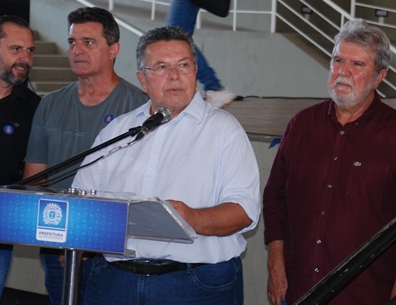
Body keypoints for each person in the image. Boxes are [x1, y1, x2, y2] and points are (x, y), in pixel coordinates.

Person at [71, 25, 260, 304]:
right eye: (161, 66)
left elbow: (245, 211)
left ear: (195, 72)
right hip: (114, 281)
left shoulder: (224, 130)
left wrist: (191, 218)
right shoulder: (117, 131)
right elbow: (81, 200)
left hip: (194, 285)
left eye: (183, 65)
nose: (174, 75)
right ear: (142, 80)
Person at [263, 19, 396, 304]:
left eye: (357, 65)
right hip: (299, 289)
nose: (342, 72)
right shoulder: (301, 125)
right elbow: (275, 197)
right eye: (338, 60)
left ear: (380, 76)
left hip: (366, 294)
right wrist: (275, 263)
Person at [23, 7, 148, 305]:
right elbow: (34, 180)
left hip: (116, 250)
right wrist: (65, 237)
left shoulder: (141, 107)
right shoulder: (50, 104)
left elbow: (145, 187)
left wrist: (89, 240)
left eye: (88, 42)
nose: (77, 50)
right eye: (71, 42)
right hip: (58, 243)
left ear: (114, 49)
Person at [0, 15, 40, 305]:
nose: (25, 58)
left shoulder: (35, 109)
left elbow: (31, 176)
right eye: (16, 49)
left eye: (30, 50)